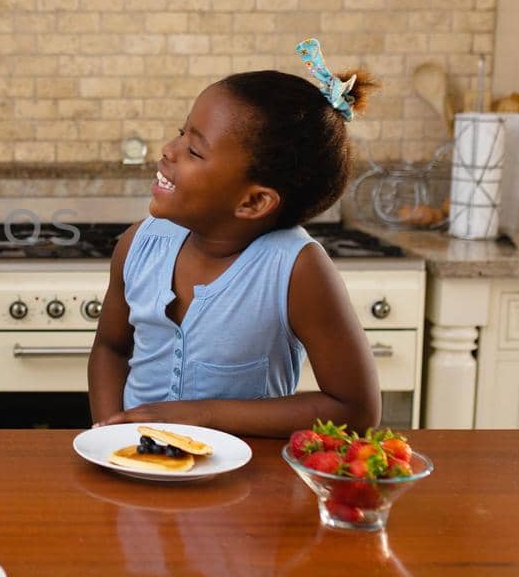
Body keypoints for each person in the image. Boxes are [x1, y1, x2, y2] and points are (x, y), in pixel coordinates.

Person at [87, 39, 381, 437]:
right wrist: (108, 432)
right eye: (180, 133)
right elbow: (110, 348)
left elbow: (355, 409)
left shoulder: (296, 269)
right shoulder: (138, 246)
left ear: (254, 201)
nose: (168, 150)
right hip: (138, 470)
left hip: (250, 487)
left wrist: (201, 415)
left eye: (194, 150)